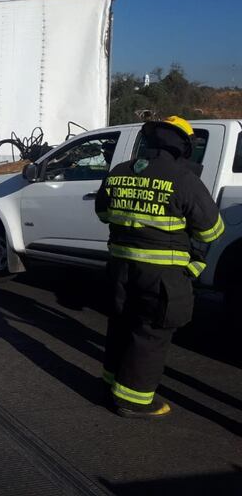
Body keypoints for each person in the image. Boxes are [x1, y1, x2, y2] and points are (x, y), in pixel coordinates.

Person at [95, 116, 224, 418]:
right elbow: (211, 230)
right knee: (150, 334)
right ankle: (134, 401)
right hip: (162, 276)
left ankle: (111, 383)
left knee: (121, 324)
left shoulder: (120, 171)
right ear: (184, 145)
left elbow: (102, 212)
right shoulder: (183, 178)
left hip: (120, 267)